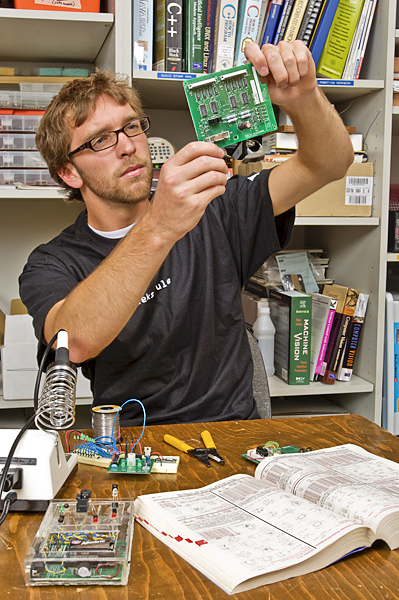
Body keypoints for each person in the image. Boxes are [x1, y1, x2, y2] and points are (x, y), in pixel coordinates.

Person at [19, 41, 354, 425]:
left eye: (131, 127)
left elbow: (330, 163)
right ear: (69, 172)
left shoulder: (217, 209)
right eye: (100, 139)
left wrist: (304, 97)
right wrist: (160, 224)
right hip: (135, 447)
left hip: (235, 436)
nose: (127, 146)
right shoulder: (52, 262)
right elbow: (74, 341)